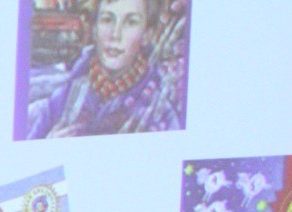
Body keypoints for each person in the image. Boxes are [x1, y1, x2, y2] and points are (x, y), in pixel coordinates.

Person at [26, 0, 182, 139]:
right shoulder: (65, 96)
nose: (115, 34)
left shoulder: (158, 111)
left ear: (147, 34)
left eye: (131, 22)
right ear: (94, 28)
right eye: (107, 19)